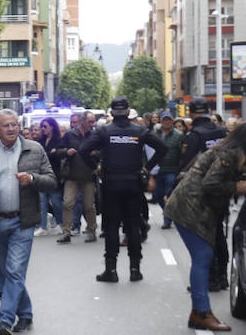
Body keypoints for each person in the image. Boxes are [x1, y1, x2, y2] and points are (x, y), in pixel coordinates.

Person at [164, 122, 246, 331]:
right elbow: (210, 184)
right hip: (190, 208)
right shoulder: (229, 154)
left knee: (203, 256)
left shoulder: (231, 152)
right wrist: (235, 187)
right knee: (202, 257)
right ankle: (202, 313)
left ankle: (199, 312)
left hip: (190, 207)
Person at [0, 109, 57, 335]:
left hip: (23, 220)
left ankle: (5, 320)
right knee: (2, 276)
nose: (11, 129)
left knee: (15, 271)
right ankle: (25, 312)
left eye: (14, 124)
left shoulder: (34, 150)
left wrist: (33, 179)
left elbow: (52, 181)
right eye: (5, 125)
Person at [79, 97, 168, 283]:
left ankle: (110, 270)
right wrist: (147, 168)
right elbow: (163, 148)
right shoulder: (139, 130)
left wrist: (95, 166)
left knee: (111, 226)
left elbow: (83, 149)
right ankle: (135, 269)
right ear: (128, 112)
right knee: (133, 226)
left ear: (111, 113)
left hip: (111, 182)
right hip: (134, 182)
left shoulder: (104, 131)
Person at [173, 98, 229, 289]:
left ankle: (210, 277)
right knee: (219, 232)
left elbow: (185, 164)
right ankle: (223, 275)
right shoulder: (221, 132)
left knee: (205, 234)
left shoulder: (194, 135)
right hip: (222, 188)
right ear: (208, 111)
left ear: (190, 113)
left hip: (203, 191)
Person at [57, 111, 99, 244]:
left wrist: (97, 156)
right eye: (90, 122)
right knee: (67, 203)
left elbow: (103, 152)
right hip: (72, 175)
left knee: (89, 206)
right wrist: (66, 152)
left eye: (93, 122)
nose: (92, 124)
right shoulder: (70, 135)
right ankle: (66, 232)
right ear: (82, 121)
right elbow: (57, 150)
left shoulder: (95, 135)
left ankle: (91, 231)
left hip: (89, 175)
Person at [152, 111, 186, 228]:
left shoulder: (179, 135)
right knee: (158, 195)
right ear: (161, 121)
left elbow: (182, 154)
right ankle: (168, 212)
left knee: (168, 195)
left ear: (172, 121)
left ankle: (167, 220)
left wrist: (181, 170)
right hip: (157, 170)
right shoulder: (155, 134)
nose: (166, 122)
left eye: (169, 120)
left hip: (172, 169)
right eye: (164, 120)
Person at [35, 117, 66, 235]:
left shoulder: (59, 140)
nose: (43, 129)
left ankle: (60, 223)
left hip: (54, 175)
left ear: (52, 127)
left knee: (56, 201)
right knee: (42, 201)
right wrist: (51, 153)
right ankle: (42, 226)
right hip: (41, 174)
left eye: (45, 126)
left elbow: (57, 155)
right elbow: (41, 156)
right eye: (42, 127)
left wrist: (52, 154)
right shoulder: (41, 141)